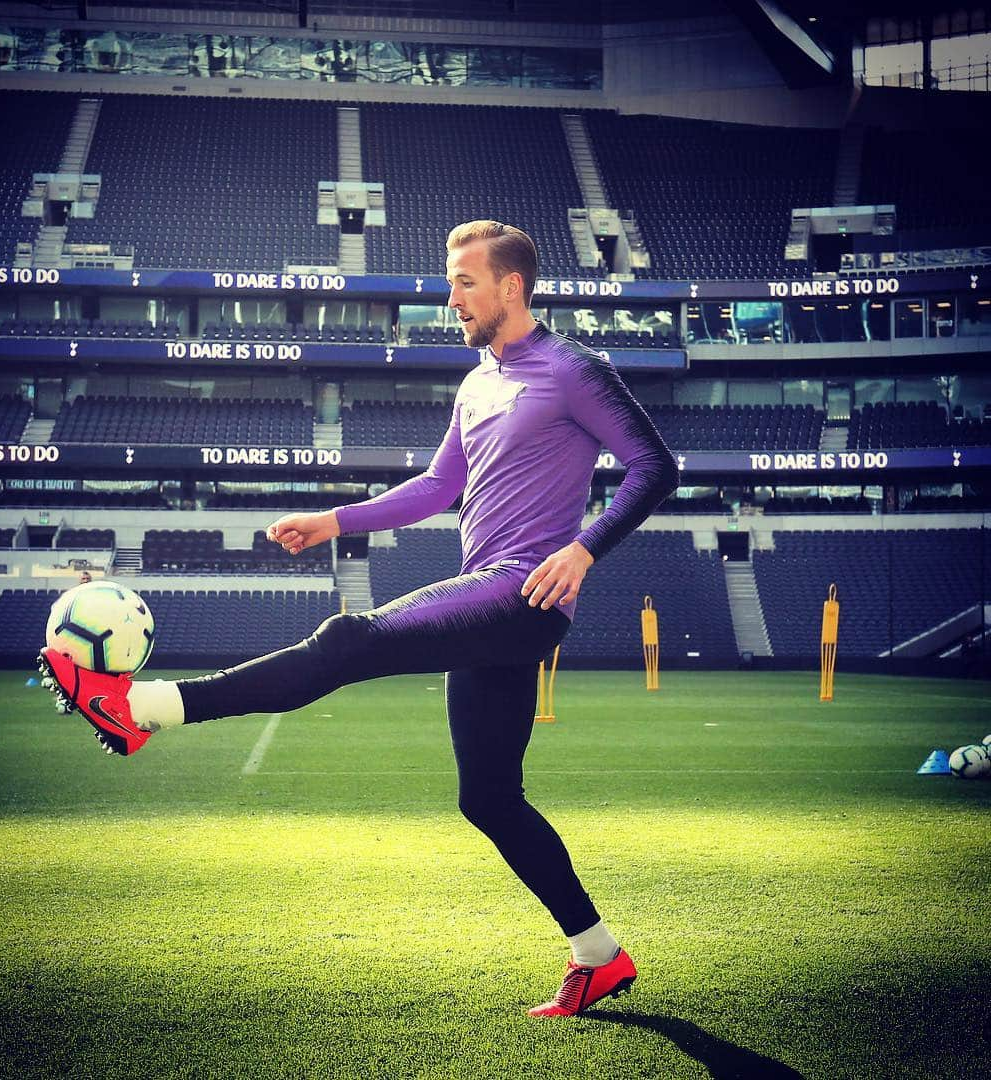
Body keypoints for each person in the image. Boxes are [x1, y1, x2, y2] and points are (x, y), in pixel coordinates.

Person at [39, 220, 679, 1017]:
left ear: (511, 287)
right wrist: (334, 521)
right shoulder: (480, 381)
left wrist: (583, 550)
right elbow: (439, 488)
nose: (452, 301)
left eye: (466, 284)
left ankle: (138, 709)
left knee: (350, 638)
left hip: (525, 594)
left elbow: (656, 466)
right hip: (488, 590)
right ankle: (601, 956)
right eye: (452, 285)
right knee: (487, 798)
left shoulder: (574, 369)